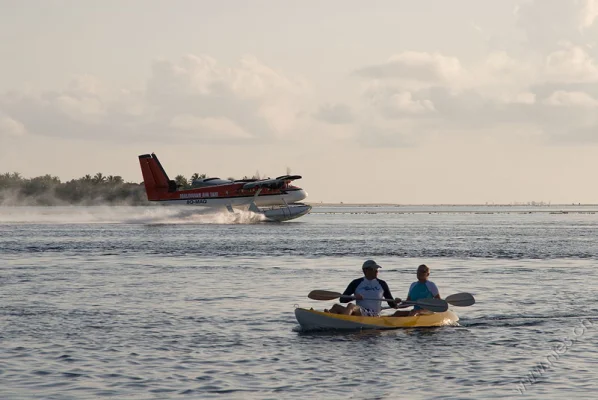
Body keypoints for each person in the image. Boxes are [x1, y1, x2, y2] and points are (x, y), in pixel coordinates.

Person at [327, 260, 400, 316]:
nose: (376, 271)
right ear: (365, 270)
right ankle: (328, 318)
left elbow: (392, 304)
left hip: (373, 314)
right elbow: (342, 299)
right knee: (336, 306)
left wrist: (395, 302)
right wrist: (354, 297)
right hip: (358, 312)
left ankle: (342, 321)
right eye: (373, 269)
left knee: (351, 306)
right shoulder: (356, 283)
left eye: (377, 269)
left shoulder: (382, 284)